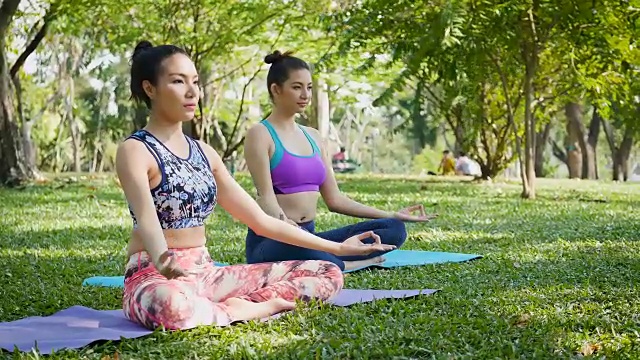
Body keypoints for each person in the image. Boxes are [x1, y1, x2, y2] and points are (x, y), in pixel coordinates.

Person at [116, 41, 396, 331]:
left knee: (328, 272)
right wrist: (163, 261)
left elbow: (261, 221)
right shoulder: (136, 150)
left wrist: (338, 248)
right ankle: (250, 309)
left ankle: (237, 307)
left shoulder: (205, 153)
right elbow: (147, 220)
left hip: (205, 274)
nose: (192, 92)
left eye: (195, 82)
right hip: (154, 276)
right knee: (171, 307)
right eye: (177, 81)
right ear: (150, 89)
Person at [243, 50, 435, 272]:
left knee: (394, 230)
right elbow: (265, 200)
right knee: (321, 254)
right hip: (273, 241)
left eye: (309, 87)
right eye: (297, 87)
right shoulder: (260, 134)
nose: (305, 94)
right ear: (276, 90)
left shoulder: (313, 136)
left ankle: (332, 257)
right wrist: (293, 230)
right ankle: (340, 261)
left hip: (309, 237)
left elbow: (334, 200)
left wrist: (391, 214)